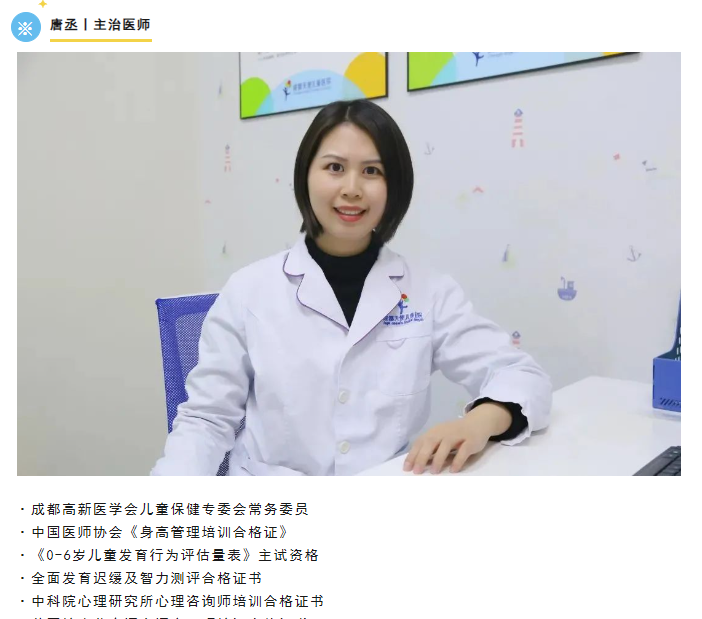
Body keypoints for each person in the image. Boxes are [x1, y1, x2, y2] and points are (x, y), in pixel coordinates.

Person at [152, 99, 551, 476]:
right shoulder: (248, 290)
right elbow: (206, 420)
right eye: (335, 168)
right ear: (306, 176)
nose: (352, 188)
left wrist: (479, 422)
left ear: (395, 186)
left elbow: (520, 373)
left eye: (372, 171)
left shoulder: (430, 292)